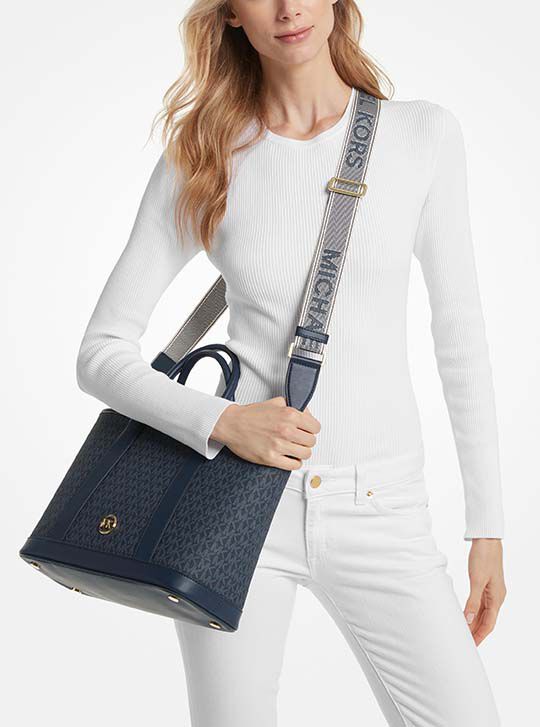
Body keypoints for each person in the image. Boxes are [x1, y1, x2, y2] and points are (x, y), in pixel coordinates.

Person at [75, 1, 507, 724]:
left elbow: (460, 338)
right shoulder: (205, 153)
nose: (288, 8)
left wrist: (486, 526)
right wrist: (223, 421)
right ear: (230, 14)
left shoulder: (422, 135)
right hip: (232, 506)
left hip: (382, 507)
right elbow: (100, 352)